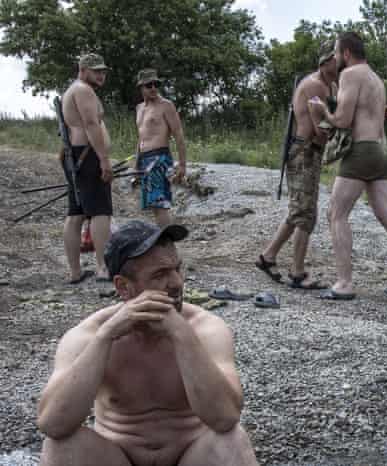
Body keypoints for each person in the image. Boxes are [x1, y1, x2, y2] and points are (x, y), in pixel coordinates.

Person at [37, 220, 258, 466]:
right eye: (160, 274)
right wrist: (105, 338)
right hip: (119, 457)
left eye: (177, 269)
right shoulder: (88, 335)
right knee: (62, 446)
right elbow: (52, 424)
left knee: (232, 442)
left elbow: (225, 418)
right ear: (123, 286)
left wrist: (181, 334)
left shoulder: (205, 328)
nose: (176, 282)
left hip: (190, 456)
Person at [309, 31, 387, 301]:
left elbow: (343, 119)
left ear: (346, 53)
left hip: (361, 151)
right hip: (381, 150)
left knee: (336, 213)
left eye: (337, 52)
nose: (336, 57)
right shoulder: (376, 78)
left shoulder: (351, 74)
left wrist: (322, 110)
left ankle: (344, 283)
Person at [255, 41, 337, 289]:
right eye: (336, 58)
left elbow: (338, 116)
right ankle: (297, 272)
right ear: (325, 62)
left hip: (310, 152)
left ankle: (267, 257)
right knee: (304, 214)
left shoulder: (331, 85)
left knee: (299, 210)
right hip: (304, 152)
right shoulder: (314, 86)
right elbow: (321, 131)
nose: (341, 62)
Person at [61, 53, 114, 283]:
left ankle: (75, 272)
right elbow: (91, 124)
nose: (101, 75)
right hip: (86, 155)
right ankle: (103, 268)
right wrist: (103, 158)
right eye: (96, 71)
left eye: (103, 70)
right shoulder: (83, 89)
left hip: (76, 156)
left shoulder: (74, 89)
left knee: (77, 213)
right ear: (82, 70)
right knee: (100, 211)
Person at [135, 69, 187, 226]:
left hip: (159, 158)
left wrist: (182, 164)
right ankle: (162, 239)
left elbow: (178, 134)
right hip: (144, 160)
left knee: (160, 203)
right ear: (141, 87)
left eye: (155, 84)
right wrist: (137, 162)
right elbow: (141, 137)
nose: (153, 88)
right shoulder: (139, 108)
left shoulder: (166, 105)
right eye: (148, 85)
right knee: (153, 205)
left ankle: (166, 243)